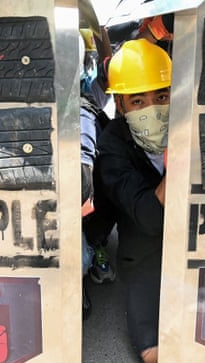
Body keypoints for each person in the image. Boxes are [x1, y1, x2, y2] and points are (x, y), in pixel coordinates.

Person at [95, 38, 172, 363]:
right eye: (138, 100)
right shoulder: (111, 146)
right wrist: (183, 158)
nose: (152, 108)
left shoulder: (191, 121)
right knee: (153, 353)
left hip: (198, 237)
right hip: (144, 249)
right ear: (121, 105)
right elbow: (149, 217)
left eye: (161, 96)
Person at [78, 30, 117, 319]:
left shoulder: (91, 94)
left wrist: (100, 28)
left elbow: (109, 73)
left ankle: (92, 249)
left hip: (91, 185)